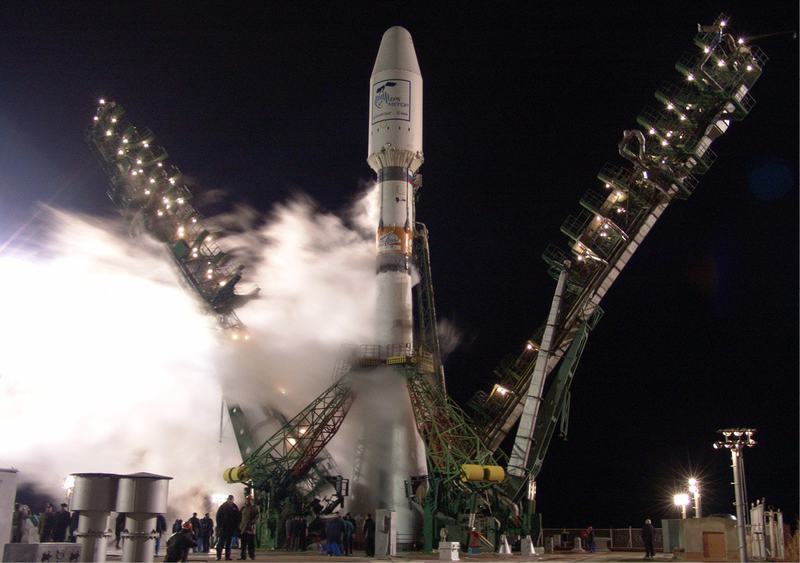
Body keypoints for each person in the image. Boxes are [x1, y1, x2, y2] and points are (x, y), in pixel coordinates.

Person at [215, 494, 241, 561]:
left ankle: (227, 557)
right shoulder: (223, 507)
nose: (230, 501)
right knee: (220, 543)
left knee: (228, 544)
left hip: (230, 529)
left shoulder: (235, 507)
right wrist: (219, 526)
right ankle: (218, 556)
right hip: (223, 528)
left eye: (231, 499)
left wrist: (236, 527)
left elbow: (238, 517)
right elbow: (218, 517)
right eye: (229, 499)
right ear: (227, 499)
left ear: (233, 500)